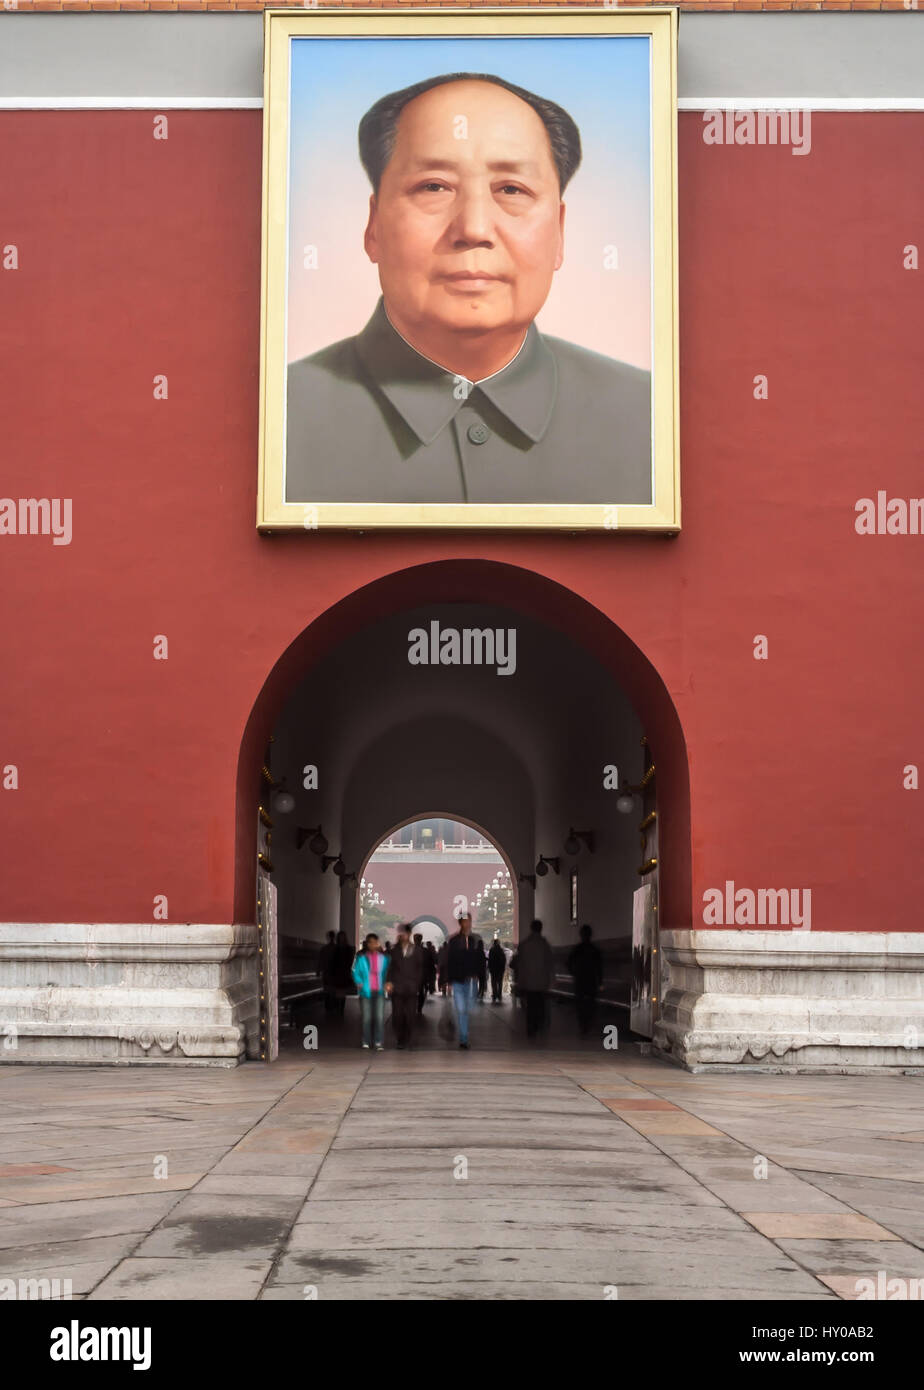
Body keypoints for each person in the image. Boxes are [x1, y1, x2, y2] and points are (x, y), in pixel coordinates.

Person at [286, 73, 651, 507]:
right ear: (373, 226)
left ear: (559, 232)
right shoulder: (278, 417)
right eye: (434, 187)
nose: (473, 229)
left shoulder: (652, 418)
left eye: (512, 189)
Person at [446, 914, 484, 1049]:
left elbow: (480, 960)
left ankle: (463, 1034)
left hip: (471, 980)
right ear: (460, 923)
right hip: (457, 980)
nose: (468, 923)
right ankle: (463, 1038)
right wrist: (448, 981)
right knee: (462, 1009)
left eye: (469, 921)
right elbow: (449, 961)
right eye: (465, 921)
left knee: (468, 1009)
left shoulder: (475, 939)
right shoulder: (454, 941)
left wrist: (481, 978)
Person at [387, 923, 426, 1048]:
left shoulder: (417, 950)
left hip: (411, 988)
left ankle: (408, 1037)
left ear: (409, 934)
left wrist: (417, 984)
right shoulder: (394, 951)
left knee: (410, 1015)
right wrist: (388, 982)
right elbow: (389, 968)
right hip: (397, 987)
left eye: (405, 933)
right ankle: (400, 1038)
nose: (403, 935)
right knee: (397, 1015)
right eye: (401, 933)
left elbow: (420, 968)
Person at [514, 919, 554, 1039]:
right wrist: (552, 980)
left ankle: (531, 1029)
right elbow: (550, 964)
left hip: (529, 982)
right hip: (542, 982)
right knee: (540, 1005)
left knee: (530, 1006)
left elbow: (520, 965)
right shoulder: (545, 945)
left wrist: (520, 982)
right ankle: (539, 1025)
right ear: (541, 929)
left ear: (531, 928)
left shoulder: (524, 945)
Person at [352, 933, 389, 1051]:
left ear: (378, 943)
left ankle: (378, 1041)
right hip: (366, 992)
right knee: (366, 1018)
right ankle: (366, 1041)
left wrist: (388, 984)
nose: (373, 944)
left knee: (379, 1017)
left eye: (375, 942)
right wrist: (359, 981)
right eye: (371, 942)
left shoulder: (384, 959)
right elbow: (354, 971)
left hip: (379, 991)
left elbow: (388, 973)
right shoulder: (361, 958)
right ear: (367, 944)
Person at [567, 923, 604, 1037]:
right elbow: (599, 968)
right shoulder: (595, 950)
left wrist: (573, 973)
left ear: (581, 935)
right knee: (591, 1004)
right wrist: (600, 982)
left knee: (580, 1004)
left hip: (580, 980)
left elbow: (568, 962)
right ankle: (588, 1024)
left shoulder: (577, 949)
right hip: (591, 981)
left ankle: (583, 1026)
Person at [329, 930, 356, 1017]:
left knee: (342, 991)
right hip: (338, 972)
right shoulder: (337, 949)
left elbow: (350, 961)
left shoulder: (346, 949)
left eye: (342, 937)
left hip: (343, 972)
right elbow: (333, 961)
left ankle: (340, 1009)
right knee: (338, 991)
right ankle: (338, 1008)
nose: (341, 939)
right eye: (340, 937)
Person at [317, 929, 336, 1012]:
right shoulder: (337, 948)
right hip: (334, 972)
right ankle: (333, 1005)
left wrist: (318, 970)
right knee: (333, 989)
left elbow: (320, 960)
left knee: (327, 989)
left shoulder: (324, 948)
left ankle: (328, 1006)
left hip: (327, 972)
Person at [488, 938, 506, 1004]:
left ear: (494, 943)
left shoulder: (492, 950)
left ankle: (494, 994)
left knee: (494, 982)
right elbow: (504, 960)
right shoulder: (501, 950)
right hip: (500, 969)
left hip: (493, 969)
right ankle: (499, 994)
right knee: (500, 982)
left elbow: (490, 960)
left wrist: (489, 968)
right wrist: (503, 968)